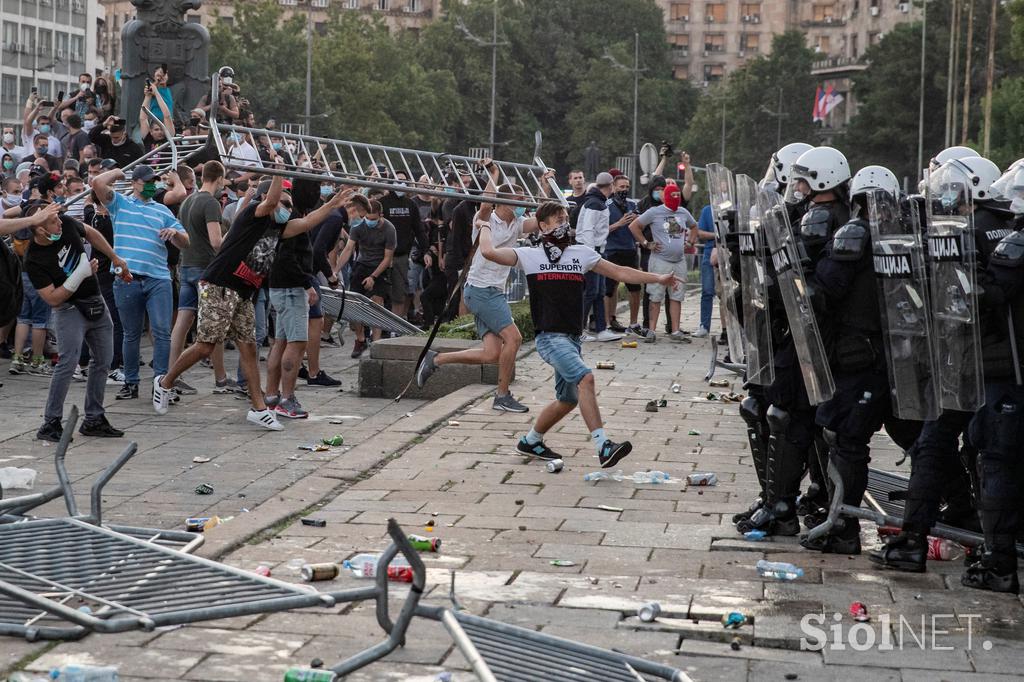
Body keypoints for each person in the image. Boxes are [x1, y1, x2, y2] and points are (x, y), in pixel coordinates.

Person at [478, 201, 682, 466]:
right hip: (550, 337)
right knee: (586, 379)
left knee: (567, 399)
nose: (565, 224)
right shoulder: (530, 255)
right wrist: (483, 226)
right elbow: (489, 252)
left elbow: (619, 271)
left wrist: (658, 278)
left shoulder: (580, 253)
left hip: (573, 338)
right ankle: (603, 446)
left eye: (566, 219)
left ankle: (530, 441)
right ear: (543, 226)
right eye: (558, 220)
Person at [152, 178, 352, 429]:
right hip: (220, 284)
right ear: (267, 198)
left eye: (290, 206)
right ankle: (165, 382)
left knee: (249, 349)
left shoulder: (280, 228)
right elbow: (269, 200)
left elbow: (307, 222)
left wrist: (332, 203)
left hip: (245, 292)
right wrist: (278, 172)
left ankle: (259, 409)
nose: (288, 210)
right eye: (285, 203)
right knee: (205, 346)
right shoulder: (253, 215)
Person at [800, 166, 899, 554]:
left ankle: (845, 527)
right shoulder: (904, 236)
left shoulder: (855, 233)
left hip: (859, 354)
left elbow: (826, 290)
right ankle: (958, 508)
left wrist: (801, 270)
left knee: (846, 440)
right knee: (922, 441)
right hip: (898, 357)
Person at [417, 160, 555, 412]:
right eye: (518, 200)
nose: (523, 205)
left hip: (492, 291)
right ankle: (502, 396)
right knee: (514, 338)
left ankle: (436, 359)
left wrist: (544, 184)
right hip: (481, 291)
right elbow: (484, 204)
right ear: (502, 203)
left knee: (491, 353)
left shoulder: (516, 223)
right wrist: (494, 173)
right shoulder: (485, 220)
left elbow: (539, 218)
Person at [22, 201, 129, 441]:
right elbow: (51, 298)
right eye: (53, 220)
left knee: (103, 360)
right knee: (67, 363)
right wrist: (80, 274)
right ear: (39, 229)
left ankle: (94, 418)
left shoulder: (67, 225)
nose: (60, 222)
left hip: (95, 300)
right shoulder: (34, 259)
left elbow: (89, 232)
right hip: (68, 309)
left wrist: (114, 257)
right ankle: (50, 422)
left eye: (59, 217)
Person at [92, 164, 190, 401]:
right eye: (146, 181)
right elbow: (97, 183)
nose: (150, 185)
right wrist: (116, 173)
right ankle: (131, 382)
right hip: (128, 278)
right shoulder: (121, 204)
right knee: (131, 333)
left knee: (161, 331)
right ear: (135, 182)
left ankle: (162, 383)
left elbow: (186, 241)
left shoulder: (163, 210)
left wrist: (174, 234)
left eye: (153, 181)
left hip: (158, 278)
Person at [170, 160, 230, 390]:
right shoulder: (211, 203)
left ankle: (172, 373)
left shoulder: (187, 201)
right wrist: (232, 237)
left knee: (182, 324)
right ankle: (221, 377)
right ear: (220, 178)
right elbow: (216, 242)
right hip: (207, 269)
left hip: (186, 266)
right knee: (215, 324)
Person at [628, 181, 698, 343]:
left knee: (677, 296)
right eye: (672, 195)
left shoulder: (683, 212)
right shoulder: (654, 212)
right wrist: (646, 243)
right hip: (659, 260)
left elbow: (694, 227)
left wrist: (691, 242)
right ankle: (652, 330)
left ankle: (675, 330)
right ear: (665, 197)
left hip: (679, 261)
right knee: (655, 295)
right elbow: (634, 226)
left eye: (677, 195)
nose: (676, 198)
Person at [332, 199, 396, 358]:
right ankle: (360, 339)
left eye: (374, 219)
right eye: (368, 218)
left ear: (381, 216)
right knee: (354, 304)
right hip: (362, 265)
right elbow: (348, 249)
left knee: (377, 303)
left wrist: (373, 276)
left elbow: (388, 258)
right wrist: (335, 270)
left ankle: (376, 341)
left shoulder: (389, 229)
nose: (370, 222)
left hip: (380, 266)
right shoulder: (358, 226)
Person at [576, 172, 621, 342]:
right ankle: (578, 330)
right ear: (610, 187)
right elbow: (588, 230)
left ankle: (601, 329)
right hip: (592, 251)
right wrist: (591, 254)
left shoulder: (597, 202)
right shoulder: (595, 204)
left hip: (597, 251)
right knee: (590, 292)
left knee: (598, 292)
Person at [379, 169, 427, 321]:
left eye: (404, 181)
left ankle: (394, 327)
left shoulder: (410, 204)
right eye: (398, 180)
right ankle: (378, 328)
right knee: (379, 294)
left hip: (401, 257)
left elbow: (419, 230)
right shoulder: (382, 203)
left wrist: (426, 251)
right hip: (381, 256)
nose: (401, 184)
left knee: (400, 294)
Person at [602, 171, 640, 335]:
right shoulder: (606, 205)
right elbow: (601, 230)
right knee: (610, 288)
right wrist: (619, 223)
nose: (624, 189)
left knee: (635, 288)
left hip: (630, 249)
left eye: (627, 187)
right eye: (621, 187)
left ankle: (634, 323)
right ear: (614, 187)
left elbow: (640, 224)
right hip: (612, 250)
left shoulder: (632, 205)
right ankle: (607, 321)